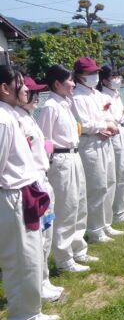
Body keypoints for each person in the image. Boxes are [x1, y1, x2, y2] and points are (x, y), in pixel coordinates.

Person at [0, 65, 59, 320]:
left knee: (32, 256)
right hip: (11, 194)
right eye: (20, 83)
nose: (25, 89)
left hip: (24, 191)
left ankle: (32, 312)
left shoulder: (12, 114)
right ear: (4, 88)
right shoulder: (2, 119)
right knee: (20, 259)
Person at [37, 64, 94, 273]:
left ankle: (78, 249)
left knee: (79, 203)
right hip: (61, 160)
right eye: (69, 80)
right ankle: (64, 258)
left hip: (74, 155)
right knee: (66, 208)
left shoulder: (65, 104)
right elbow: (45, 138)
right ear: (57, 84)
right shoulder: (51, 106)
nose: (73, 84)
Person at [17, 75, 64, 301]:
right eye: (30, 92)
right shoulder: (16, 119)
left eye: (37, 93)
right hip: (32, 181)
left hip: (42, 178)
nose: (35, 97)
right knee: (36, 237)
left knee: (46, 231)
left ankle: (44, 279)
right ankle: (38, 284)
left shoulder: (29, 116)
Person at [72, 57, 121, 244]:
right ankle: (95, 229)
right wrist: (102, 125)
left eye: (95, 72)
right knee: (96, 187)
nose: (94, 76)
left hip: (105, 140)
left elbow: (109, 116)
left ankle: (106, 223)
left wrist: (107, 125)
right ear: (79, 75)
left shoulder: (98, 95)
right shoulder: (77, 97)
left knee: (110, 181)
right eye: (89, 73)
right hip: (90, 143)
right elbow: (83, 124)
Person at [98, 65, 124, 224]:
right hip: (113, 133)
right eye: (113, 77)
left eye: (118, 76)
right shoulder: (103, 96)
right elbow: (108, 118)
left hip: (122, 131)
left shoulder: (116, 95)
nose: (117, 79)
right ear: (104, 81)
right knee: (119, 171)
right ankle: (118, 212)